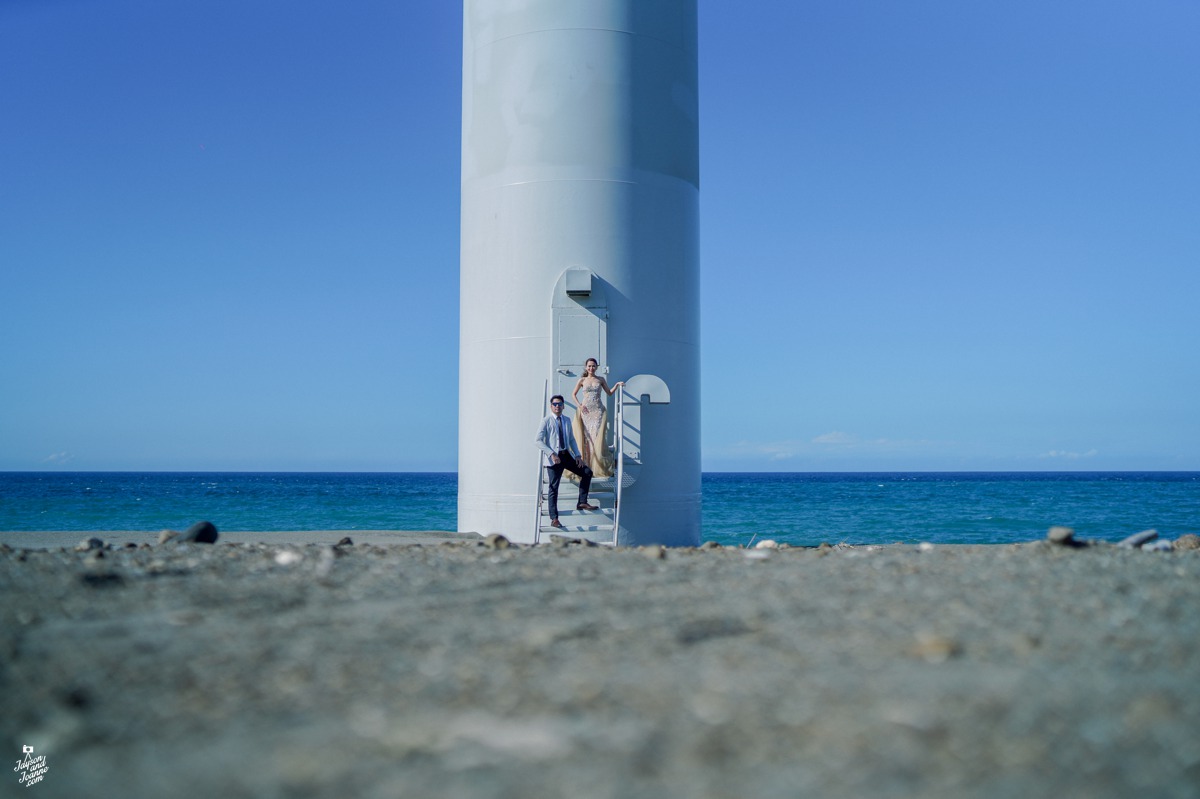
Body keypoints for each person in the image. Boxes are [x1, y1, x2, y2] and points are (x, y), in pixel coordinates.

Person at [535, 394, 596, 528]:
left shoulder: (567, 420)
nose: (557, 406)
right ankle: (554, 519)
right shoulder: (546, 421)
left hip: (566, 455)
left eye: (559, 404)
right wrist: (551, 454)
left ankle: (582, 501)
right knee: (553, 488)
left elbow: (572, 440)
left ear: (563, 406)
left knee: (587, 472)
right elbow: (538, 441)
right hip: (554, 459)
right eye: (555, 404)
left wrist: (578, 456)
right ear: (551, 406)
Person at [571, 358, 624, 479]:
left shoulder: (600, 379)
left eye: (593, 366)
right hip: (585, 411)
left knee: (596, 438)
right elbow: (573, 394)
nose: (591, 368)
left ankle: (598, 467)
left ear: (596, 367)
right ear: (586, 367)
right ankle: (585, 466)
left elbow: (609, 393)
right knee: (585, 437)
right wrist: (579, 405)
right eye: (589, 366)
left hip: (598, 411)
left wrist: (616, 385)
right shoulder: (582, 380)